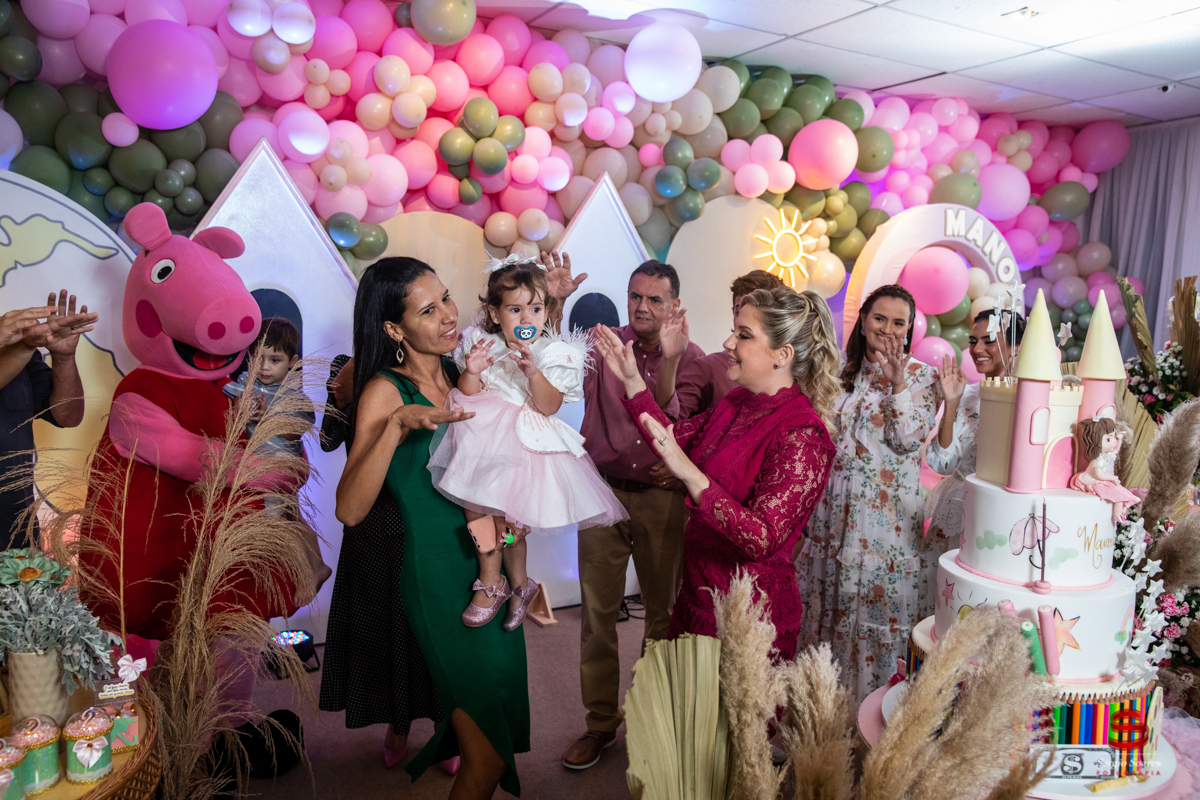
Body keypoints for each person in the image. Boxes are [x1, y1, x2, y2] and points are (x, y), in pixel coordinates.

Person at [335, 257, 529, 799]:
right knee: (485, 757)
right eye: (428, 310)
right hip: (440, 578)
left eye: (445, 297)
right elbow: (349, 509)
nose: (448, 314)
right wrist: (396, 426)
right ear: (394, 329)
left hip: (491, 570)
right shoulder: (386, 392)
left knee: (497, 733)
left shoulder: (465, 369)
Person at [596, 286, 838, 659]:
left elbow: (762, 538)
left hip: (748, 616)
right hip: (698, 596)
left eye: (744, 335)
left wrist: (691, 475)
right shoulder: (738, 402)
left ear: (783, 354)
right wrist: (632, 381)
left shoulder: (803, 432)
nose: (728, 343)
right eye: (733, 331)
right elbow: (670, 437)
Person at [557, 259, 704, 771]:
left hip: (662, 501)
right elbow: (552, 364)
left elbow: (666, 417)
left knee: (662, 616)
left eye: (654, 299)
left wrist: (670, 360)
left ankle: (647, 720)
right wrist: (556, 303)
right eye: (635, 296)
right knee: (597, 614)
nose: (641, 307)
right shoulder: (603, 345)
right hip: (602, 492)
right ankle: (600, 723)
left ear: (674, 305)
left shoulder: (694, 358)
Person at [429, 256, 625, 629]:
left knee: (512, 525)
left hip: (528, 441)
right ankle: (492, 579)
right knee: (476, 509)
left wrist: (533, 371)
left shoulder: (554, 353)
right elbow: (466, 393)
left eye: (535, 309)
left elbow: (548, 406)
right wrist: (473, 372)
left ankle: (520, 584)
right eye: (515, 309)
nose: (526, 318)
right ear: (495, 312)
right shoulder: (483, 344)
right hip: (484, 436)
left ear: (546, 310)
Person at [798, 284, 943, 701]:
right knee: (826, 611)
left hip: (886, 524)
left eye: (899, 323)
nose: (888, 329)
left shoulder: (923, 376)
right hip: (833, 513)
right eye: (880, 318)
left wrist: (897, 386)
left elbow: (908, 440)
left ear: (910, 328)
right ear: (863, 321)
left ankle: (872, 711)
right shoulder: (840, 372)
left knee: (874, 619)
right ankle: (821, 712)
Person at [318, 353, 448, 771]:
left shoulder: (447, 366)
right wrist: (341, 393)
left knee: (438, 634)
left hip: (434, 517)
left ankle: (446, 725)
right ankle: (398, 724)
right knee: (390, 632)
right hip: (376, 519)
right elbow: (327, 441)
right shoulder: (349, 367)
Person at [223, 317, 329, 603]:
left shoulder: (293, 395)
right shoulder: (246, 383)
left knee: (276, 523)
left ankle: (305, 576)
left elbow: (297, 429)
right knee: (293, 516)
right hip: (263, 466)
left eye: (275, 360)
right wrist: (241, 410)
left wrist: (269, 417)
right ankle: (318, 566)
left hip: (279, 467)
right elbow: (232, 406)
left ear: (292, 362)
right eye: (258, 358)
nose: (265, 367)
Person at [0, 292, 97, 546]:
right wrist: (23, 346)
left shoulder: (15, 346)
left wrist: (64, 358)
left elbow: (67, 415)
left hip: (16, 532)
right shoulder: (18, 346)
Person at [926, 310, 1025, 541]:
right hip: (957, 507)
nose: (977, 349)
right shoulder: (966, 395)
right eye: (973, 341)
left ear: (1016, 347)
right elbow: (943, 464)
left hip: (1003, 513)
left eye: (988, 341)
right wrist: (952, 403)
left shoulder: (1029, 402)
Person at [670, 270, 785, 419]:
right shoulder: (706, 369)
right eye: (740, 311)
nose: (745, 319)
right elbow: (669, 424)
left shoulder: (792, 382)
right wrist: (669, 360)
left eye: (758, 313)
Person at [1071, 417, 1139, 522]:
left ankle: (1122, 513)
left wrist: (1119, 439)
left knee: (1125, 494)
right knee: (1118, 496)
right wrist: (1113, 478)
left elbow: (1116, 450)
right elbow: (1099, 475)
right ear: (1097, 442)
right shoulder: (1098, 459)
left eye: (1113, 437)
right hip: (1094, 481)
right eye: (1108, 439)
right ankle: (1117, 515)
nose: (1113, 442)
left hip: (1102, 480)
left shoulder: (1105, 455)